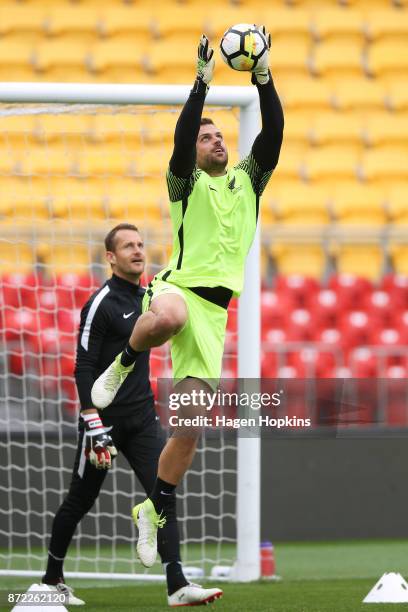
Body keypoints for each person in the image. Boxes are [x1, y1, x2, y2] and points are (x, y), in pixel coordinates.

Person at [92, 30, 284, 570]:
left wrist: (261, 73)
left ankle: (153, 509)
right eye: (206, 138)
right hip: (177, 289)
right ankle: (122, 363)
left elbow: (274, 134)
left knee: (190, 427)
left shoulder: (249, 182)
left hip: (215, 314)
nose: (216, 141)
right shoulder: (183, 184)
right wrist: (201, 84)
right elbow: (181, 138)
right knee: (169, 315)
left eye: (219, 135)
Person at [41, 223, 222, 607]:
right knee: (80, 500)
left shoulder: (152, 299)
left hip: (141, 418)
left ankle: (177, 585)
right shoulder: (100, 303)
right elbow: (83, 366)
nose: (137, 251)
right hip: (102, 423)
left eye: (140, 245)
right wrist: (91, 421)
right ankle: (50, 580)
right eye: (127, 246)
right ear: (110, 257)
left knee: (162, 497)